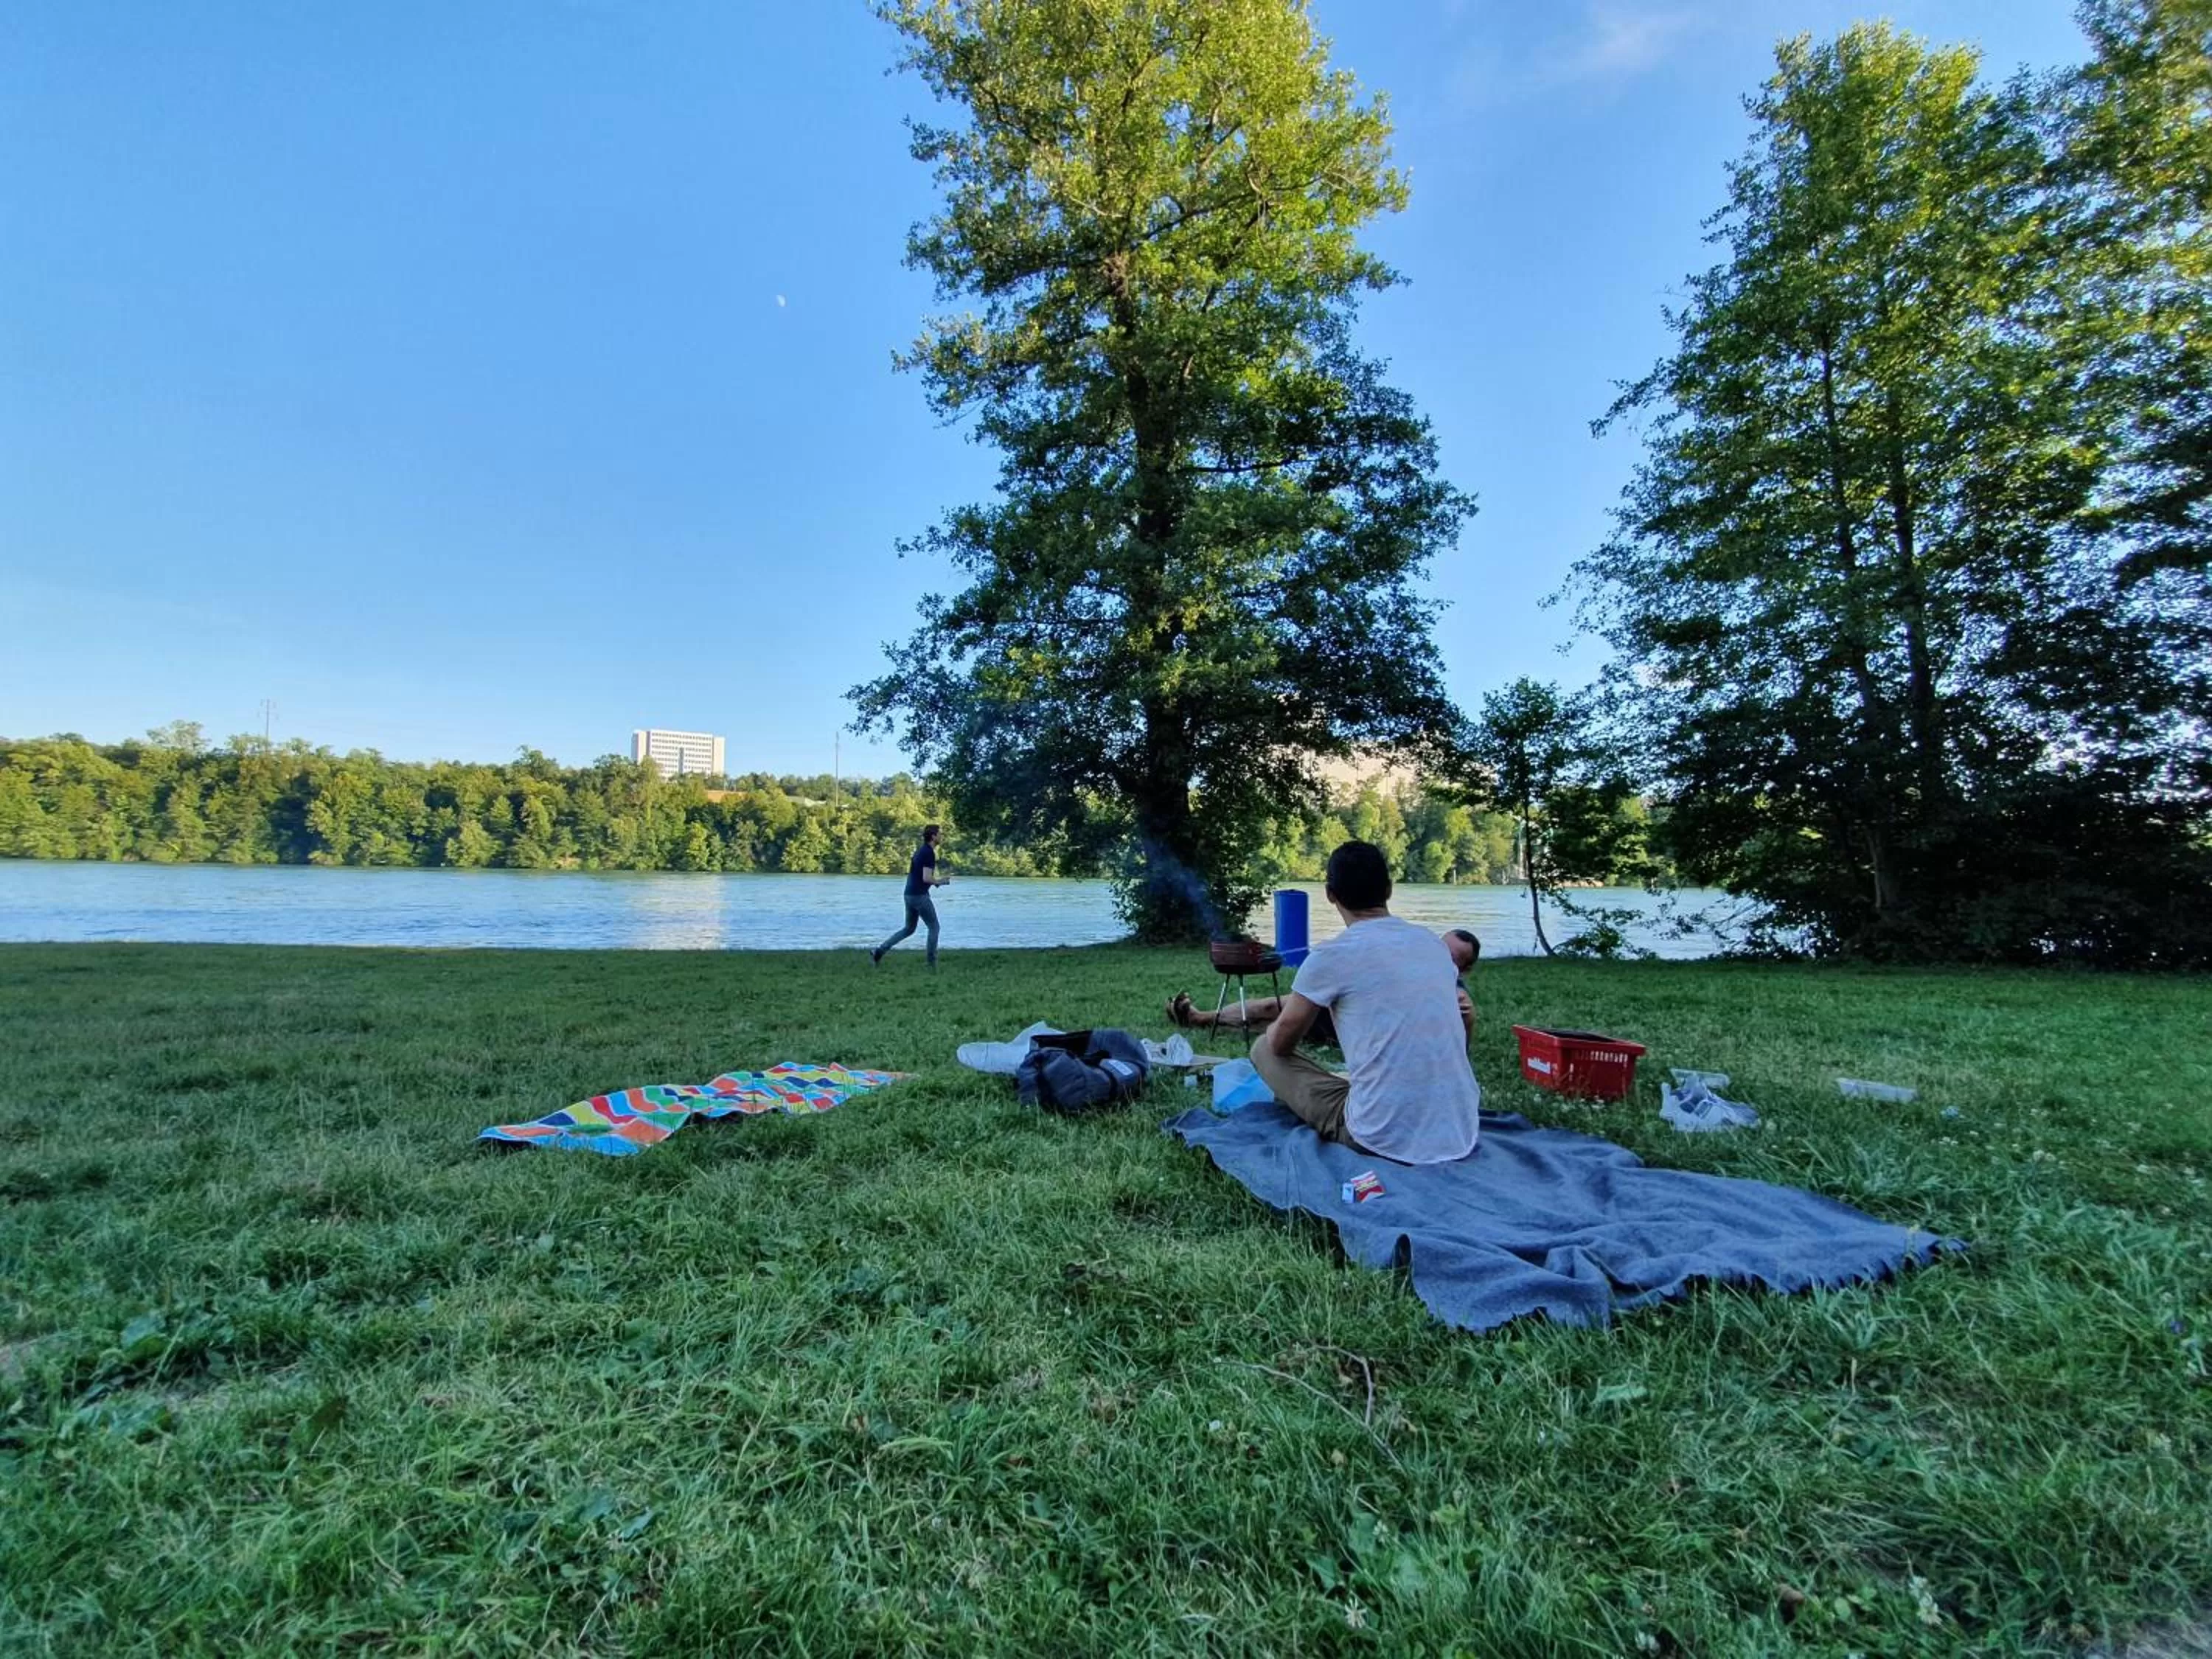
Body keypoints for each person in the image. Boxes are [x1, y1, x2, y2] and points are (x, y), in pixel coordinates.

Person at [1248, 841, 1481, 1164]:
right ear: (1388, 889)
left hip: (1379, 1138)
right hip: (1461, 1130)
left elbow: (1282, 1044)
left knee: (1263, 1048)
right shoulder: (1432, 944)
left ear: (1330, 894)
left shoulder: (1331, 955)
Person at [1165, 927, 1479, 1046]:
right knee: (1267, 1009)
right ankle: (1200, 1018)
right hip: (1331, 1004)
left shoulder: (1454, 992)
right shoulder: (1415, 963)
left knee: (1265, 1030)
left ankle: (1198, 1019)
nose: (1441, 958)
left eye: (1451, 957)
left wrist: (1467, 1017)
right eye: (1440, 948)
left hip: (1341, 1026)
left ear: (1464, 967)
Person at [871, 824, 950, 967]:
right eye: (940, 834)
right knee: (934, 927)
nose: (941, 837)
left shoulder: (921, 851)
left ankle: (879, 951)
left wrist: (936, 882)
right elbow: (927, 878)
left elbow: (921, 876)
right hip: (919, 896)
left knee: (909, 929)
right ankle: (931, 964)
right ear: (933, 836)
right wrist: (940, 881)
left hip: (909, 894)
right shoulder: (928, 853)